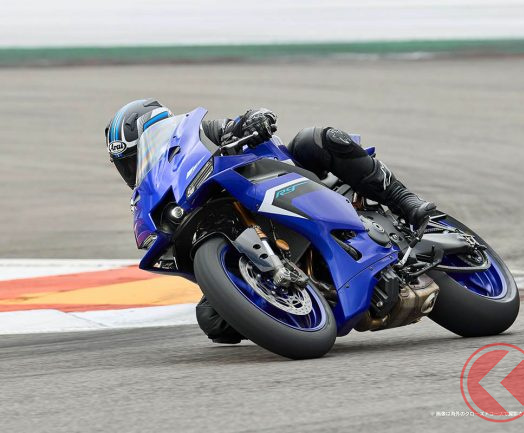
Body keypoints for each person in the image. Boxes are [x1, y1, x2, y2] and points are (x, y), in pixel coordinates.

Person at [105, 99, 436, 344]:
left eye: (134, 157)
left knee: (317, 139)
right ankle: (302, 301)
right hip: (236, 229)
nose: (132, 167)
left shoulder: (199, 133)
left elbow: (239, 122)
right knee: (212, 320)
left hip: (280, 179)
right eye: (127, 163)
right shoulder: (147, 196)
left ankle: (405, 201)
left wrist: (254, 120)